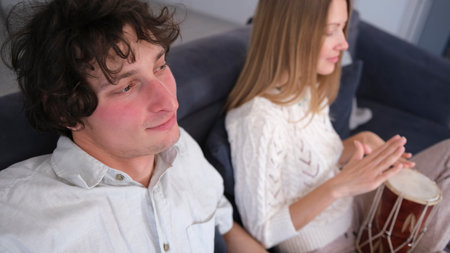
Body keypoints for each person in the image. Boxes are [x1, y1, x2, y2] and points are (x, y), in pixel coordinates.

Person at [0, 0, 267, 252]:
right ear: (64, 111)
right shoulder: (16, 217)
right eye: (127, 86)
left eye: (160, 66)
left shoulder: (183, 148)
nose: (170, 102)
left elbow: (224, 222)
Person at [225, 0, 450, 252]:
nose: (343, 44)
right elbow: (264, 231)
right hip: (326, 243)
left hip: (356, 214)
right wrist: (341, 185)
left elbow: (308, 160)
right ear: (293, 34)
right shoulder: (256, 120)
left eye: (342, 28)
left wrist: (364, 141)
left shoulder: (307, 91)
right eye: (331, 30)